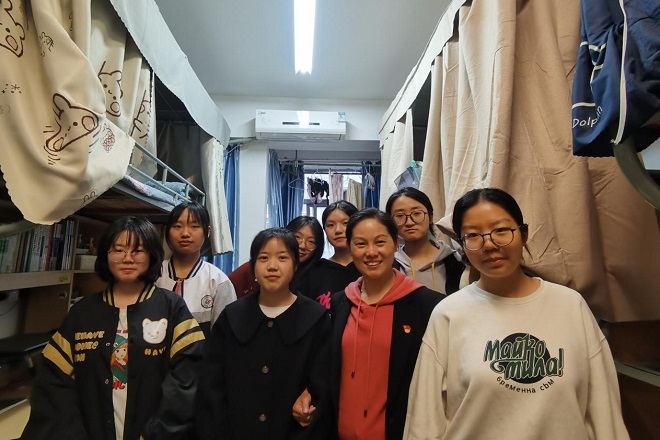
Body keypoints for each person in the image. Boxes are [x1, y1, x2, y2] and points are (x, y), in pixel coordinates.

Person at [403, 188, 630, 440]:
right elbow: (424, 421)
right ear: (463, 245)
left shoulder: (570, 305)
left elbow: (604, 413)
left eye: (501, 230)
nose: (489, 244)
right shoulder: (448, 314)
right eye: (473, 235)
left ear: (523, 234)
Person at [23, 216, 205, 439]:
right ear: (106, 255)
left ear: (152, 255)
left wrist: (157, 432)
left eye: (138, 250)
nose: (127, 258)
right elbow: (53, 383)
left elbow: (187, 378)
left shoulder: (172, 307)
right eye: (118, 250)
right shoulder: (82, 313)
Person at [294, 208, 443, 439]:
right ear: (350, 247)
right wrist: (310, 391)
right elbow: (330, 364)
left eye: (380, 242)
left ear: (396, 244)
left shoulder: (427, 305)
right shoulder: (342, 301)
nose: (371, 252)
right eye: (361, 244)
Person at [196, 228, 331, 440]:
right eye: (264, 258)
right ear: (253, 266)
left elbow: (323, 386)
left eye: (282, 258)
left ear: (296, 265)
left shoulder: (316, 318)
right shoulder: (232, 316)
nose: (272, 266)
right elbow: (211, 387)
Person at [156, 200, 236, 338]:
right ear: (168, 231)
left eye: (194, 226)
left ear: (207, 232)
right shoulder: (154, 274)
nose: (185, 233)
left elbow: (225, 339)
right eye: (177, 226)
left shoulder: (218, 282)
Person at [385, 187, 464, 295]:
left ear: (430, 217)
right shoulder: (388, 265)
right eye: (400, 216)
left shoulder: (455, 261)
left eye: (417, 213)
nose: (409, 222)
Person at [228, 216, 324, 297]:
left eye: (311, 242)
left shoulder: (318, 276)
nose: (302, 245)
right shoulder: (254, 267)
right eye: (297, 237)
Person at [298, 201, 361, 308]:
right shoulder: (313, 272)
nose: (338, 230)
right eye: (330, 225)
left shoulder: (368, 267)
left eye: (345, 223)